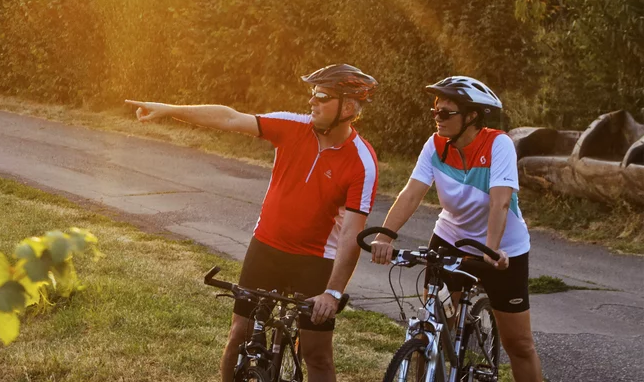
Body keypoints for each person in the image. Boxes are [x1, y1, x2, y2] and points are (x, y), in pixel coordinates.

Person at [124, 64, 379, 382]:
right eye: (312, 94)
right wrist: (169, 109)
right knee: (237, 337)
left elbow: (351, 236)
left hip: (316, 260)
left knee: (318, 356)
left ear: (350, 107)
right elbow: (230, 118)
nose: (312, 101)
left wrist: (332, 293)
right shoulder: (293, 126)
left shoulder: (362, 161)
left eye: (323, 96)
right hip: (267, 246)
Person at [367, 76, 542, 381]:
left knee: (520, 344)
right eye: (435, 111)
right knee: (434, 326)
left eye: (445, 113)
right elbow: (411, 193)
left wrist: (490, 249)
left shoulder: (498, 144)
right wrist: (384, 236)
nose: (437, 118)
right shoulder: (435, 145)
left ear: (472, 116)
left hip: (501, 247)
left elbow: (500, 202)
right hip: (450, 238)